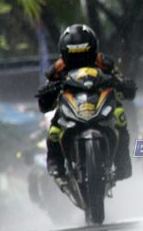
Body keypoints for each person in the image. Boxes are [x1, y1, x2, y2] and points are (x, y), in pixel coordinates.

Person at [36, 24, 137, 189]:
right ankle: (56, 166)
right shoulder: (56, 69)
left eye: (83, 54)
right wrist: (46, 92)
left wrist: (123, 84)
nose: (79, 59)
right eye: (74, 55)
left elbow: (119, 79)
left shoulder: (105, 63)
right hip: (71, 104)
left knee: (120, 117)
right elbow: (45, 94)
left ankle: (122, 162)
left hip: (100, 100)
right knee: (54, 130)